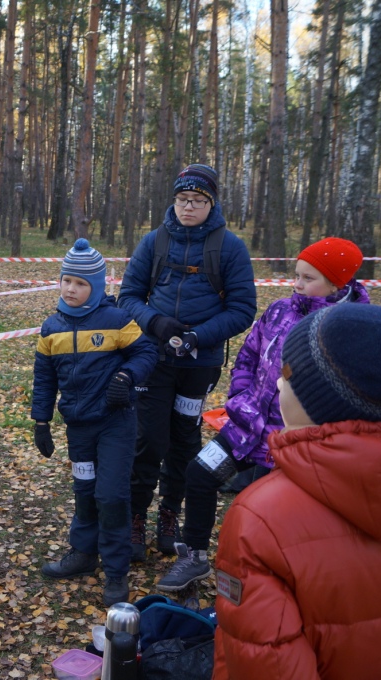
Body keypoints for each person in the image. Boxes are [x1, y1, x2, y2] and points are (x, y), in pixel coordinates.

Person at [212, 304, 381, 678]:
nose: (277, 382)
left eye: (288, 373)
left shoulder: (259, 518)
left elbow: (267, 665)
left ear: (323, 400)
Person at [157, 237, 368, 591]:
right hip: (246, 424)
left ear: (338, 284)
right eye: (296, 275)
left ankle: (259, 580)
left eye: (308, 278)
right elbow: (249, 355)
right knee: (199, 472)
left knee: (262, 510)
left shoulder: (349, 328)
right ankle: (194, 557)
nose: (296, 284)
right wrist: (241, 395)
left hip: (293, 440)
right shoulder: (279, 310)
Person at [117, 163, 257, 559]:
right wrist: (155, 322)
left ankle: (168, 516)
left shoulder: (229, 247)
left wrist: (199, 335)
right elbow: (128, 297)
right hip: (153, 359)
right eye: (182, 199)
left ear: (211, 204)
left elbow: (243, 308)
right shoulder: (154, 242)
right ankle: (135, 518)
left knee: (184, 440)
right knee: (148, 439)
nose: (188, 207)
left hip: (199, 364)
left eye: (197, 200)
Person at [32, 239, 157, 606]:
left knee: (111, 495)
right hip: (79, 427)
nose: (71, 289)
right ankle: (84, 554)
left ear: (97, 286)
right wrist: (41, 421)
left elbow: (147, 351)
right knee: (85, 492)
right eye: (66, 281)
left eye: (81, 283)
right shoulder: (51, 328)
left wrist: (126, 377)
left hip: (116, 424)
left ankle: (116, 571)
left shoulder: (116, 320)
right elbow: (44, 379)